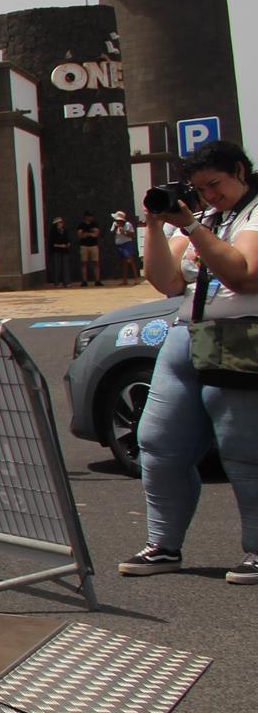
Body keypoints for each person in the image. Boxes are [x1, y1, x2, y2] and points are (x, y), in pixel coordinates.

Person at [122, 140, 258, 583]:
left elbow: (242, 273)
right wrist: (155, 225)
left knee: (244, 452)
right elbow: (166, 281)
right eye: (200, 190)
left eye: (215, 186)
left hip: (240, 340)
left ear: (240, 171)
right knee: (158, 443)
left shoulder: (253, 213)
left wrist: (194, 229)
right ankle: (163, 545)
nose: (209, 197)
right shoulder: (204, 218)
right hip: (188, 337)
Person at [76, 210, 104, 286]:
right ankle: (84, 281)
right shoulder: (81, 225)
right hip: (84, 246)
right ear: (86, 217)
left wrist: (86, 234)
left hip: (93, 245)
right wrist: (90, 234)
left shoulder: (95, 224)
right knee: (84, 263)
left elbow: (96, 234)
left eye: (91, 216)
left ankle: (97, 280)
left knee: (96, 263)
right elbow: (79, 235)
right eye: (89, 216)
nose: (91, 217)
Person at [112, 209, 140, 283]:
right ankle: (125, 280)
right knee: (123, 262)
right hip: (119, 245)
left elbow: (132, 235)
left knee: (131, 261)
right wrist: (115, 228)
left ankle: (136, 279)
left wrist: (124, 232)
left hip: (127, 244)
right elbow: (111, 232)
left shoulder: (128, 224)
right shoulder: (115, 224)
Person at [46, 215, 71, 287]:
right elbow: (52, 243)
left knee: (65, 267)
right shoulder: (53, 232)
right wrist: (61, 246)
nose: (61, 224)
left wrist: (68, 243)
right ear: (56, 224)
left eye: (62, 222)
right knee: (57, 267)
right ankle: (56, 282)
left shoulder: (65, 230)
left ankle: (66, 282)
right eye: (60, 223)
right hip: (56, 251)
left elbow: (67, 239)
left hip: (65, 251)